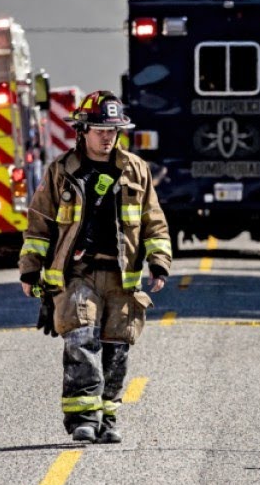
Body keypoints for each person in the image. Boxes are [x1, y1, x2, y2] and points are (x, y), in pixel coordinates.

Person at [18, 91, 172, 444]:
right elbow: (39, 224)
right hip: (77, 274)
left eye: (114, 130)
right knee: (81, 339)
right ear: (83, 130)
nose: (108, 136)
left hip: (122, 276)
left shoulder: (135, 170)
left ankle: (108, 416)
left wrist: (159, 263)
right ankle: (83, 418)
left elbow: (154, 221)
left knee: (116, 347)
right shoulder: (60, 172)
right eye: (101, 129)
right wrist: (30, 270)